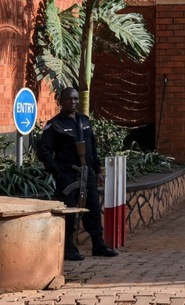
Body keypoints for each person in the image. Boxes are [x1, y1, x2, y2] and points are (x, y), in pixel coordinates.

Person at [37, 87, 119, 261]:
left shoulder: (84, 121)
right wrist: (58, 172)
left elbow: (93, 149)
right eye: (69, 99)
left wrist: (97, 171)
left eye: (75, 99)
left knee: (94, 210)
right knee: (69, 211)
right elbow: (44, 151)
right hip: (67, 175)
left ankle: (98, 245)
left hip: (87, 173)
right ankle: (68, 248)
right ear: (61, 102)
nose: (73, 102)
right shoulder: (55, 124)